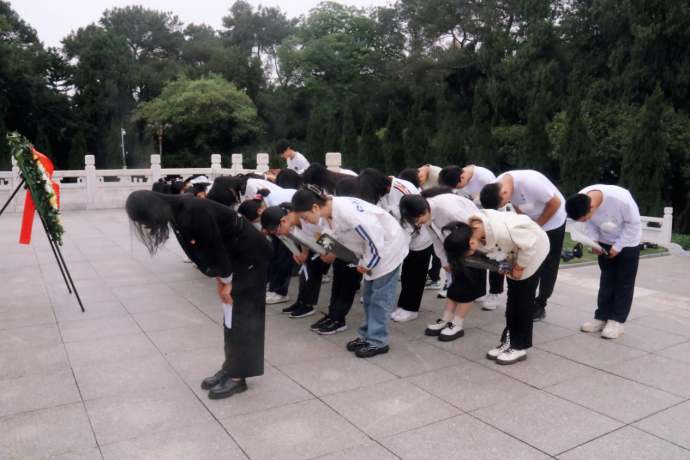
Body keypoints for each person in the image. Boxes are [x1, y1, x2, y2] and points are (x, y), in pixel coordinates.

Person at [126, 191, 273, 398]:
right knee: (230, 319)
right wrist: (221, 280)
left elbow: (215, 246)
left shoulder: (193, 209)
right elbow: (207, 251)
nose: (145, 224)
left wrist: (227, 281)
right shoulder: (178, 212)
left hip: (249, 258)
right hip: (233, 260)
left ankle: (238, 377)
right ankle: (231, 366)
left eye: (144, 218)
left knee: (243, 318)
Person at [292, 187, 409, 358]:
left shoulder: (348, 212)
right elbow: (337, 237)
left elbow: (374, 238)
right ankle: (366, 336)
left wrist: (367, 264)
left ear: (315, 207)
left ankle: (378, 341)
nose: (306, 222)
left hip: (387, 247)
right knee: (369, 297)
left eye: (305, 217)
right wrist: (331, 252)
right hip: (369, 251)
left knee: (380, 298)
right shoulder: (328, 212)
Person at [443, 209, 549, 364]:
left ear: (472, 243)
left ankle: (519, 347)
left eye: (468, 253)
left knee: (523, 301)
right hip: (516, 252)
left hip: (534, 249)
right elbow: (498, 250)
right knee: (512, 299)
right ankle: (510, 339)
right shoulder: (471, 232)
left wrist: (519, 267)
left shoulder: (505, 231)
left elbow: (529, 246)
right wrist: (503, 264)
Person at [480, 170, 567, 322]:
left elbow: (556, 204)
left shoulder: (531, 183)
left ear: (504, 193)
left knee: (548, 263)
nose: (505, 205)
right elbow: (516, 204)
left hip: (553, 220)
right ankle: (524, 300)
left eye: (503, 204)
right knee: (526, 257)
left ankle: (541, 303)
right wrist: (524, 223)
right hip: (532, 218)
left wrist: (536, 227)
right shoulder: (498, 185)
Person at [399, 188, 485, 341]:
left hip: (472, 247)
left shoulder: (448, 210)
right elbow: (435, 238)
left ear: (425, 210)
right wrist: (445, 261)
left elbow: (475, 230)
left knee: (467, 286)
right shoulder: (425, 212)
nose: (417, 222)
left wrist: (470, 252)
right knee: (453, 286)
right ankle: (447, 319)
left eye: (417, 218)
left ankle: (457, 324)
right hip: (455, 248)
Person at [565, 185, 642, 339]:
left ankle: (617, 321)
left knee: (623, 282)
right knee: (607, 279)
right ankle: (601, 317)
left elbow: (633, 225)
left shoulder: (621, 199)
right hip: (604, 241)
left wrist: (618, 247)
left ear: (592, 206)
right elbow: (589, 223)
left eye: (586, 217)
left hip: (628, 242)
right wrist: (594, 241)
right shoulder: (581, 198)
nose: (586, 220)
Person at [357, 168, 433, 323]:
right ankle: (403, 305)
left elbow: (417, 219)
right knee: (406, 274)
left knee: (415, 274)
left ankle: (411, 309)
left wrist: (399, 243)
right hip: (398, 237)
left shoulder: (404, 189)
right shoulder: (381, 194)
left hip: (418, 238)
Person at [439, 164, 504, 310]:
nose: (458, 189)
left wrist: (493, 226)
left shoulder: (485, 177)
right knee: (475, 255)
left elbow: (499, 201)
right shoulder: (456, 178)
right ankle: (477, 291)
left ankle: (494, 293)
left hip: (493, 221)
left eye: (458, 186)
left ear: (462, 177)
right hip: (473, 222)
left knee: (495, 256)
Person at [260, 204, 327, 319]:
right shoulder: (293, 221)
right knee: (304, 271)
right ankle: (300, 301)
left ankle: (308, 305)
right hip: (312, 244)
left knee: (312, 272)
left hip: (324, 245)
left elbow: (326, 235)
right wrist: (300, 253)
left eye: (276, 231)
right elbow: (302, 236)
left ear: (283, 221)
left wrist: (330, 254)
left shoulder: (307, 219)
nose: (278, 234)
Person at [238, 188, 297, 306]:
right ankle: (273, 288)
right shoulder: (265, 205)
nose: (258, 224)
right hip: (281, 228)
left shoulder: (274, 204)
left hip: (288, 229)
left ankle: (281, 292)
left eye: (256, 221)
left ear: (260, 211)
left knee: (284, 259)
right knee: (274, 256)